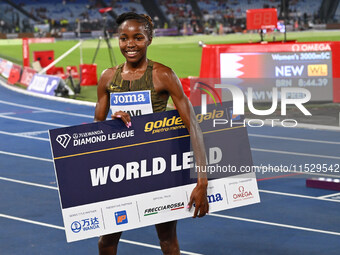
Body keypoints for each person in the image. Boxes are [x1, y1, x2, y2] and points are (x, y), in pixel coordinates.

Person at [94, 12, 209, 255]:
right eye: (124, 38)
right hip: (123, 171)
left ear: (149, 39)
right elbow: (97, 127)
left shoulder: (163, 75)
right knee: (106, 242)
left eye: (138, 38)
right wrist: (113, 122)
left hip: (158, 170)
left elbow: (194, 127)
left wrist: (202, 181)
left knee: (167, 241)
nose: (130, 44)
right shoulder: (107, 77)